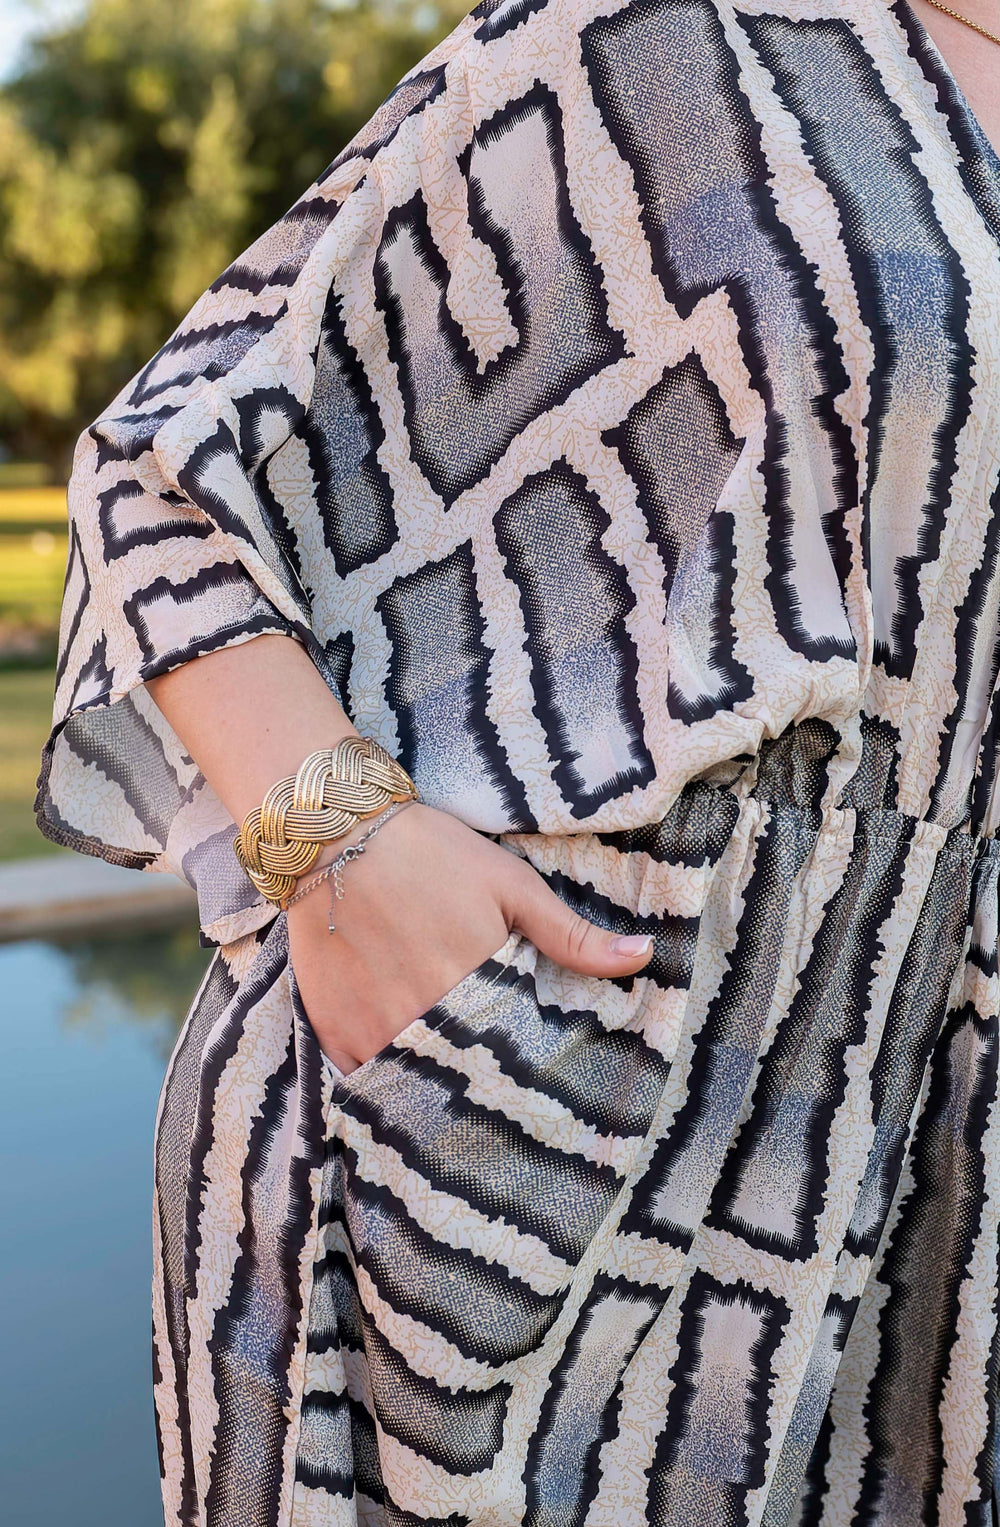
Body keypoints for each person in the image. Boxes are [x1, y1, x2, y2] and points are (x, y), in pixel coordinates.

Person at [38, 0, 1000, 1521]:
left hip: (919, 1160)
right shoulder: (669, 38)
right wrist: (342, 846)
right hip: (527, 1118)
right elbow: (161, 471)